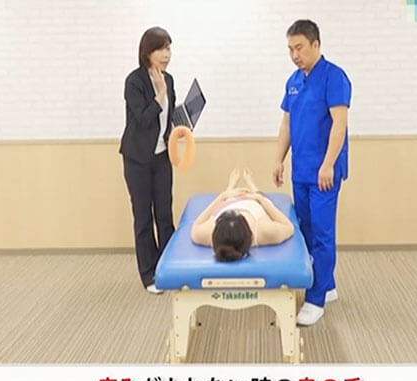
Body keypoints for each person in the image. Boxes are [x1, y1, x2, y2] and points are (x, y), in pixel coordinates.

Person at [273, 19, 351, 325]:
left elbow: (339, 124)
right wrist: (279, 159)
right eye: (290, 49)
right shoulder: (293, 81)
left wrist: (328, 164)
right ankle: (326, 285)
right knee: (305, 230)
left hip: (324, 173)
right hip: (301, 170)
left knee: (322, 233)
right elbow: (286, 124)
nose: (295, 55)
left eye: (300, 48)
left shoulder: (334, 77)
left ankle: (315, 300)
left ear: (315, 44)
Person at [120, 27, 177, 294]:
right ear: (147, 53)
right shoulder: (134, 82)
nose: (166, 54)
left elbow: (168, 118)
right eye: (161, 49)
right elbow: (143, 119)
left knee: (164, 214)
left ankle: (169, 267)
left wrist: (183, 123)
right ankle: (149, 274)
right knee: (143, 217)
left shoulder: (170, 79)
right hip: (137, 159)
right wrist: (160, 94)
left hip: (162, 156)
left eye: (169, 48)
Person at [191, 168, 294, 261]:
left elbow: (196, 225)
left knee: (232, 196)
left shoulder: (208, 232)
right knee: (264, 199)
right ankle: (253, 188)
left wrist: (222, 196)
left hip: (227, 203)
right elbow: (288, 226)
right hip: (254, 203)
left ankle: (230, 189)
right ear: (251, 236)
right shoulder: (264, 231)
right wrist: (261, 200)